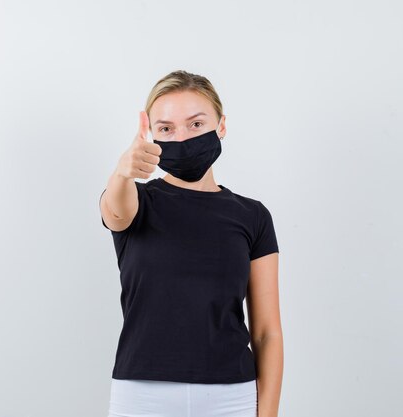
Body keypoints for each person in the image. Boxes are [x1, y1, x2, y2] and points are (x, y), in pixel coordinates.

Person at [99, 70, 283, 417]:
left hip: (232, 397)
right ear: (151, 135)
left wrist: (268, 413)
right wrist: (123, 172)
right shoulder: (137, 201)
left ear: (221, 126)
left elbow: (266, 333)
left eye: (196, 124)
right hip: (142, 396)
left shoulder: (253, 216)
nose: (181, 138)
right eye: (166, 128)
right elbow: (115, 212)